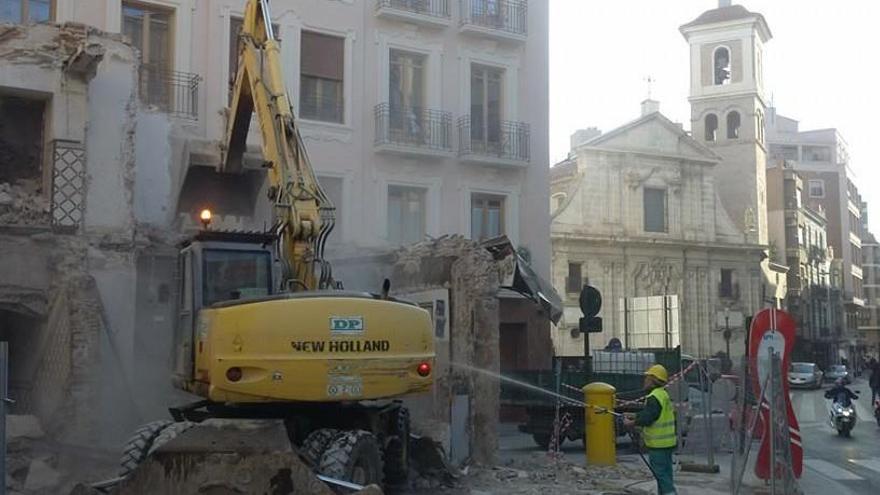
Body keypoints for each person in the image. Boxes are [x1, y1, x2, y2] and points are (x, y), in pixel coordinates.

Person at [624, 364, 677, 495]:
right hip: (667, 444)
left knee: (661, 476)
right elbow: (654, 414)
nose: (645, 380)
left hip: (657, 445)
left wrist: (632, 422)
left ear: (653, 380)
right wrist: (635, 415)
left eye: (647, 378)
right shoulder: (663, 394)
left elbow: (648, 418)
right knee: (666, 474)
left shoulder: (654, 397)